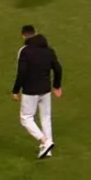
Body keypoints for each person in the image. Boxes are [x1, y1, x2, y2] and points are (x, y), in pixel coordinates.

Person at [12, 24, 63, 160]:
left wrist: (16, 90)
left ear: (23, 36)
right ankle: (48, 149)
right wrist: (57, 86)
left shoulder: (25, 51)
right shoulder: (48, 50)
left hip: (30, 91)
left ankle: (45, 142)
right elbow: (58, 69)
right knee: (45, 118)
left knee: (26, 118)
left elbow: (21, 73)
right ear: (35, 33)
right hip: (45, 89)